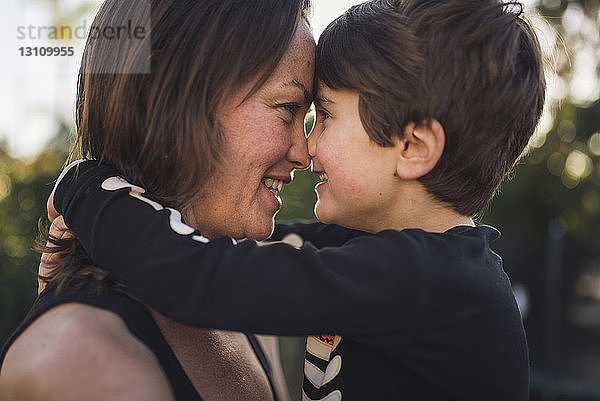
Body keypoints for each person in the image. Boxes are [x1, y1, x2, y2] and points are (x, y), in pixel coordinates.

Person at [33, 0, 546, 400]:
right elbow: (229, 250)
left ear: (411, 147)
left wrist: (87, 189)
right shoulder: (396, 260)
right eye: (290, 111)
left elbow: (206, 276)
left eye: (323, 114)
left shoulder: (429, 282)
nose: (307, 148)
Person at [0, 0, 316, 400]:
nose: (304, 154)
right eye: (288, 109)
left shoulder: (240, 300)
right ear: (165, 94)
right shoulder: (77, 363)